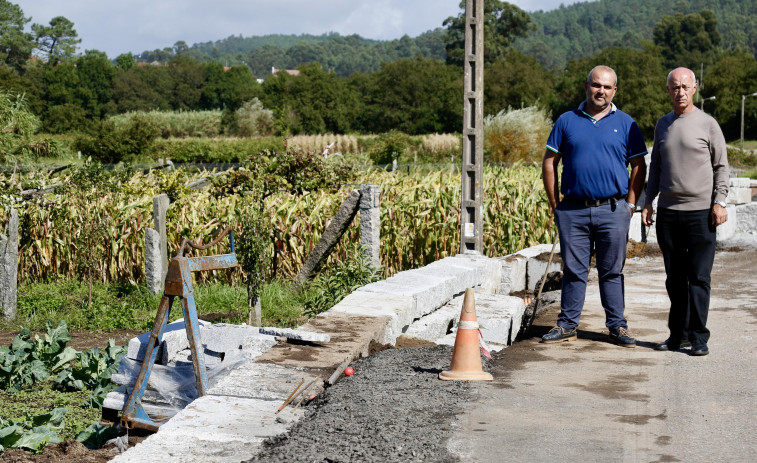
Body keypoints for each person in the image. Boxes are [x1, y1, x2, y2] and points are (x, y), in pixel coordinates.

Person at [541, 65, 648, 347]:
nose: (601, 91)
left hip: (613, 210)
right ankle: (567, 325)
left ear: (615, 91)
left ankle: (617, 326)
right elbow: (550, 162)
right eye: (596, 85)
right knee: (574, 270)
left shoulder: (626, 123)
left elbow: (639, 166)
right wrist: (556, 205)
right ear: (586, 86)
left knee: (611, 271)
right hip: (573, 209)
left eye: (607, 87)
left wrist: (631, 205)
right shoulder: (566, 121)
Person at [642, 67, 729, 357]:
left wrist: (720, 202)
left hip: (701, 214)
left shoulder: (708, 124)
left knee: (699, 277)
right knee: (675, 278)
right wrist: (648, 201)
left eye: (685, 86)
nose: (680, 91)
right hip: (669, 215)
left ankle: (699, 336)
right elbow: (656, 166)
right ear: (668, 90)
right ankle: (677, 335)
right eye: (674, 87)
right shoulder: (662, 125)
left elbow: (721, 167)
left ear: (694, 89)